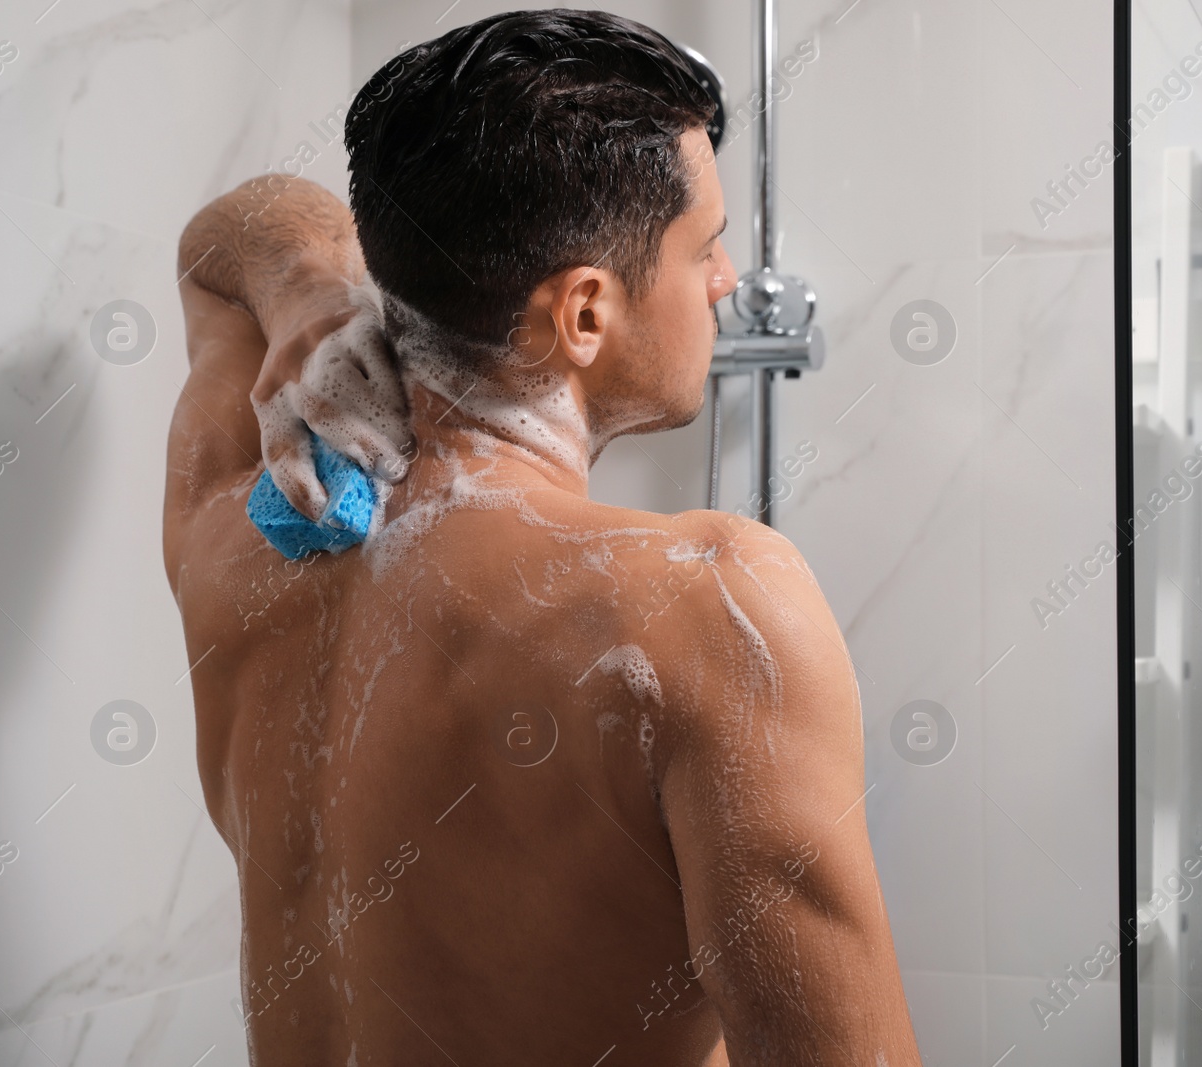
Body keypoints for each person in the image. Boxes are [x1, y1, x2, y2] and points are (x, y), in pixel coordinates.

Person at [164, 10, 919, 1065]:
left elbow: (221, 243)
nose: (725, 281)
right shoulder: (709, 605)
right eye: (702, 246)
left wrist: (309, 289)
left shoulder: (236, 542)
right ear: (584, 316)